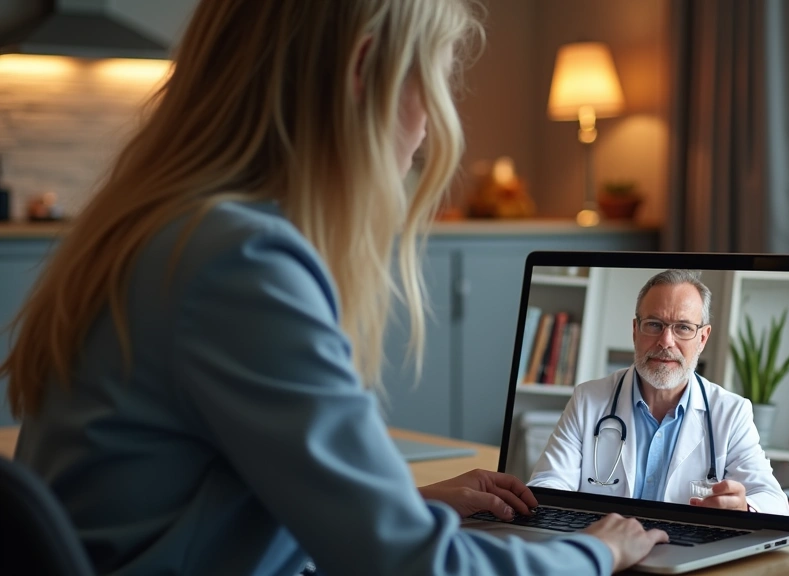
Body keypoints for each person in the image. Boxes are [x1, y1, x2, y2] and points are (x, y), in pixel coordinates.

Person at [0, 1, 668, 574]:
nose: (430, 128)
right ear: (362, 70)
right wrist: (596, 552)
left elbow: (220, 503)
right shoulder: (239, 261)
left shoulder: (163, 229)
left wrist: (408, 508)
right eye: (431, 81)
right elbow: (415, 567)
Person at [528, 270, 789, 515]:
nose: (666, 341)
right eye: (654, 324)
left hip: (689, 554)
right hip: (603, 545)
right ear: (635, 330)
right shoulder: (588, 399)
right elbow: (548, 483)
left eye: (683, 327)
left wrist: (744, 507)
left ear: (703, 339)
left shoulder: (731, 413)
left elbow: (774, 501)